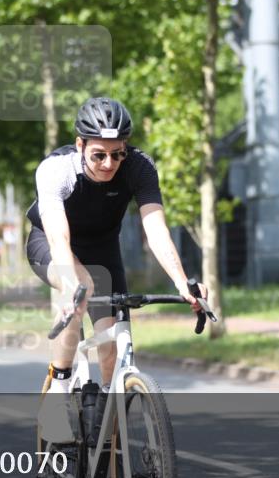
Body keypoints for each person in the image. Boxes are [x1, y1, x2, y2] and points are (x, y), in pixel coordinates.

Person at [26, 96, 207, 442]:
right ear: (80, 145)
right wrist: (71, 282)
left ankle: (106, 433)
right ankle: (59, 390)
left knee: (113, 344)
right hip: (52, 245)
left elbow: (156, 229)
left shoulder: (139, 167)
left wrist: (184, 283)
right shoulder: (56, 169)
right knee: (80, 290)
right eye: (99, 154)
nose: (109, 163)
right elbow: (59, 237)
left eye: (117, 153)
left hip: (103, 247)